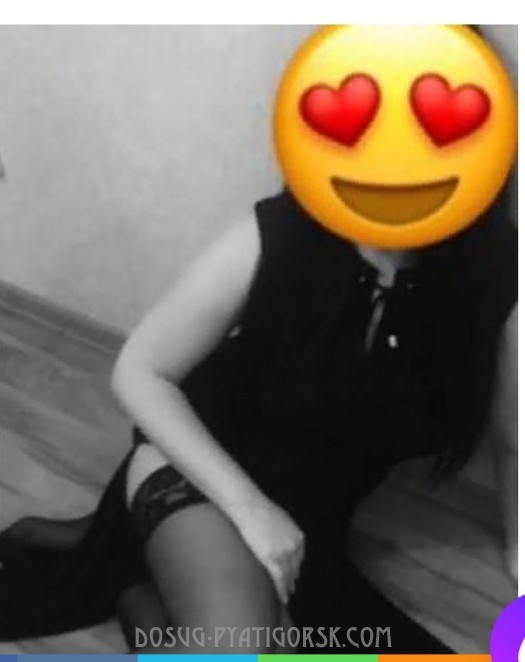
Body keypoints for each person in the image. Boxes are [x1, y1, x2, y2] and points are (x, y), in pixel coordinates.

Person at [0, 30, 517, 656]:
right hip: (199, 470)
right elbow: (139, 371)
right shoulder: (278, 234)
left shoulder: (493, 270)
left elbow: (512, 436)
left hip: (310, 520)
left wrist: (519, 552)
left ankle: (146, 609)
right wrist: (254, 514)